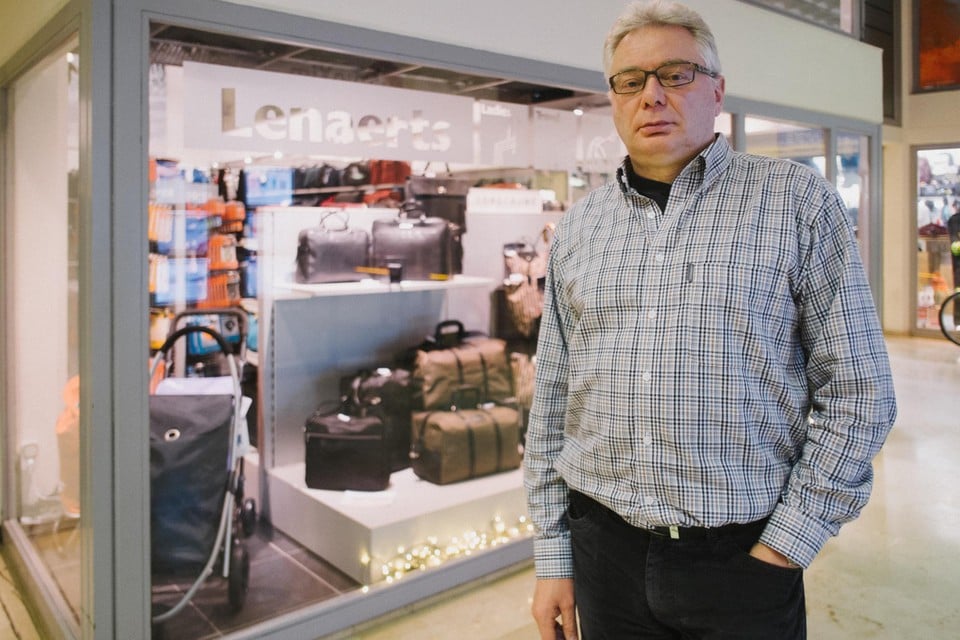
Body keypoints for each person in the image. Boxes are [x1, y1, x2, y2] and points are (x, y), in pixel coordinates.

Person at [522, 2, 898, 638]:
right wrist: (553, 554)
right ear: (613, 99)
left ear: (717, 91)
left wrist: (783, 548)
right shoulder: (581, 228)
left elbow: (861, 392)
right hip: (603, 556)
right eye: (631, 81)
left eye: (676, 74)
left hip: (741, 562)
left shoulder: (795, 203)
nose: (652, 96)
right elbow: (555, 399)